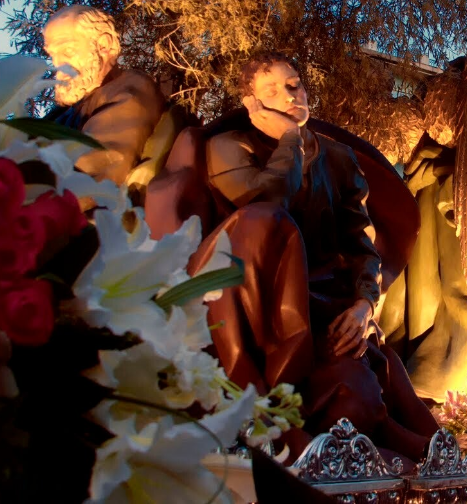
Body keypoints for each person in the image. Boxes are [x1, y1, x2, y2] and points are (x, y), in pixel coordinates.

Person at [149, 52, 438, 460]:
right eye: (272, 90)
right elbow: (270, 206)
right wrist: (289, 140)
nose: (290, 95)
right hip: (251, 310)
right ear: (251, 103)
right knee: (263, 221)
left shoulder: (338, 159)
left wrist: (363, 305)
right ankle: (259, 412)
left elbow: (360, 244)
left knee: (355, 399)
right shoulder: (229, 147)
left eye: (294, 83)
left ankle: (389, 444)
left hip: (324, 312)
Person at [43, 6, 166, 187]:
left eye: (67, 52)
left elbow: (95, 171)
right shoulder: (63, 112)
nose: (57, 65)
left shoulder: (128, 90)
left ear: (104, 45)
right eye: (52, 55)